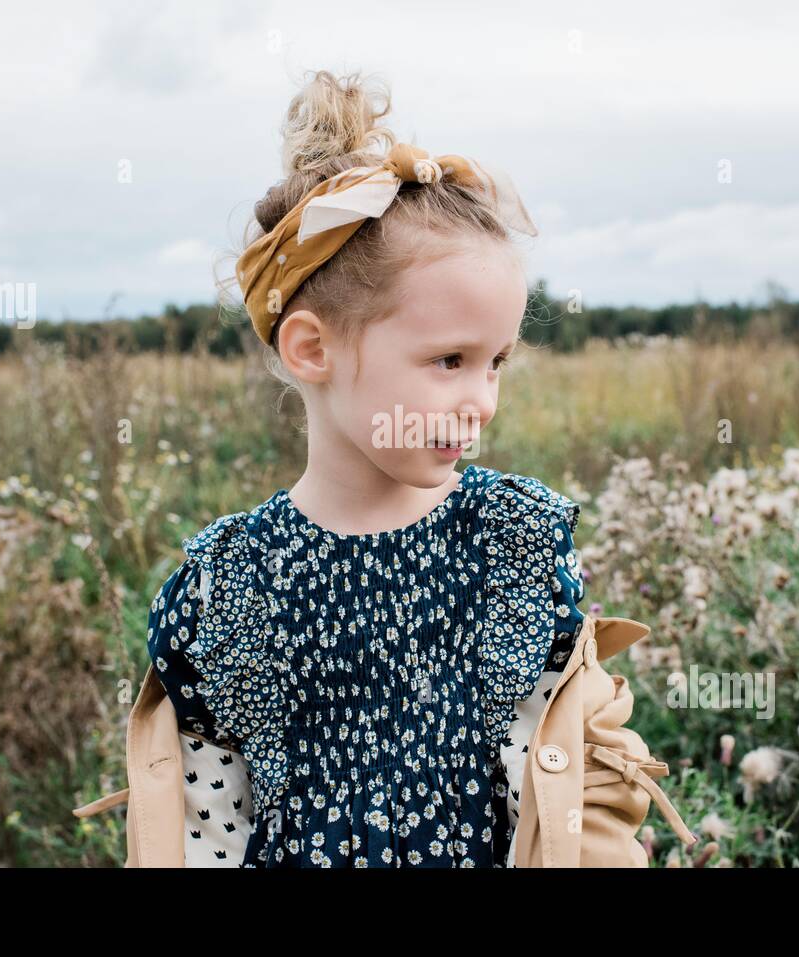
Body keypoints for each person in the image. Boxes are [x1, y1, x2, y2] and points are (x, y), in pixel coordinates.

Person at [146, 68, 586, 867]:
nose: (482, 400)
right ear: (312, 348)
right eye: (449, 359)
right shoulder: (228, 582)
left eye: (497, 362)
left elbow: (556, 809)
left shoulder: (515, 543)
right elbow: (206, 828)